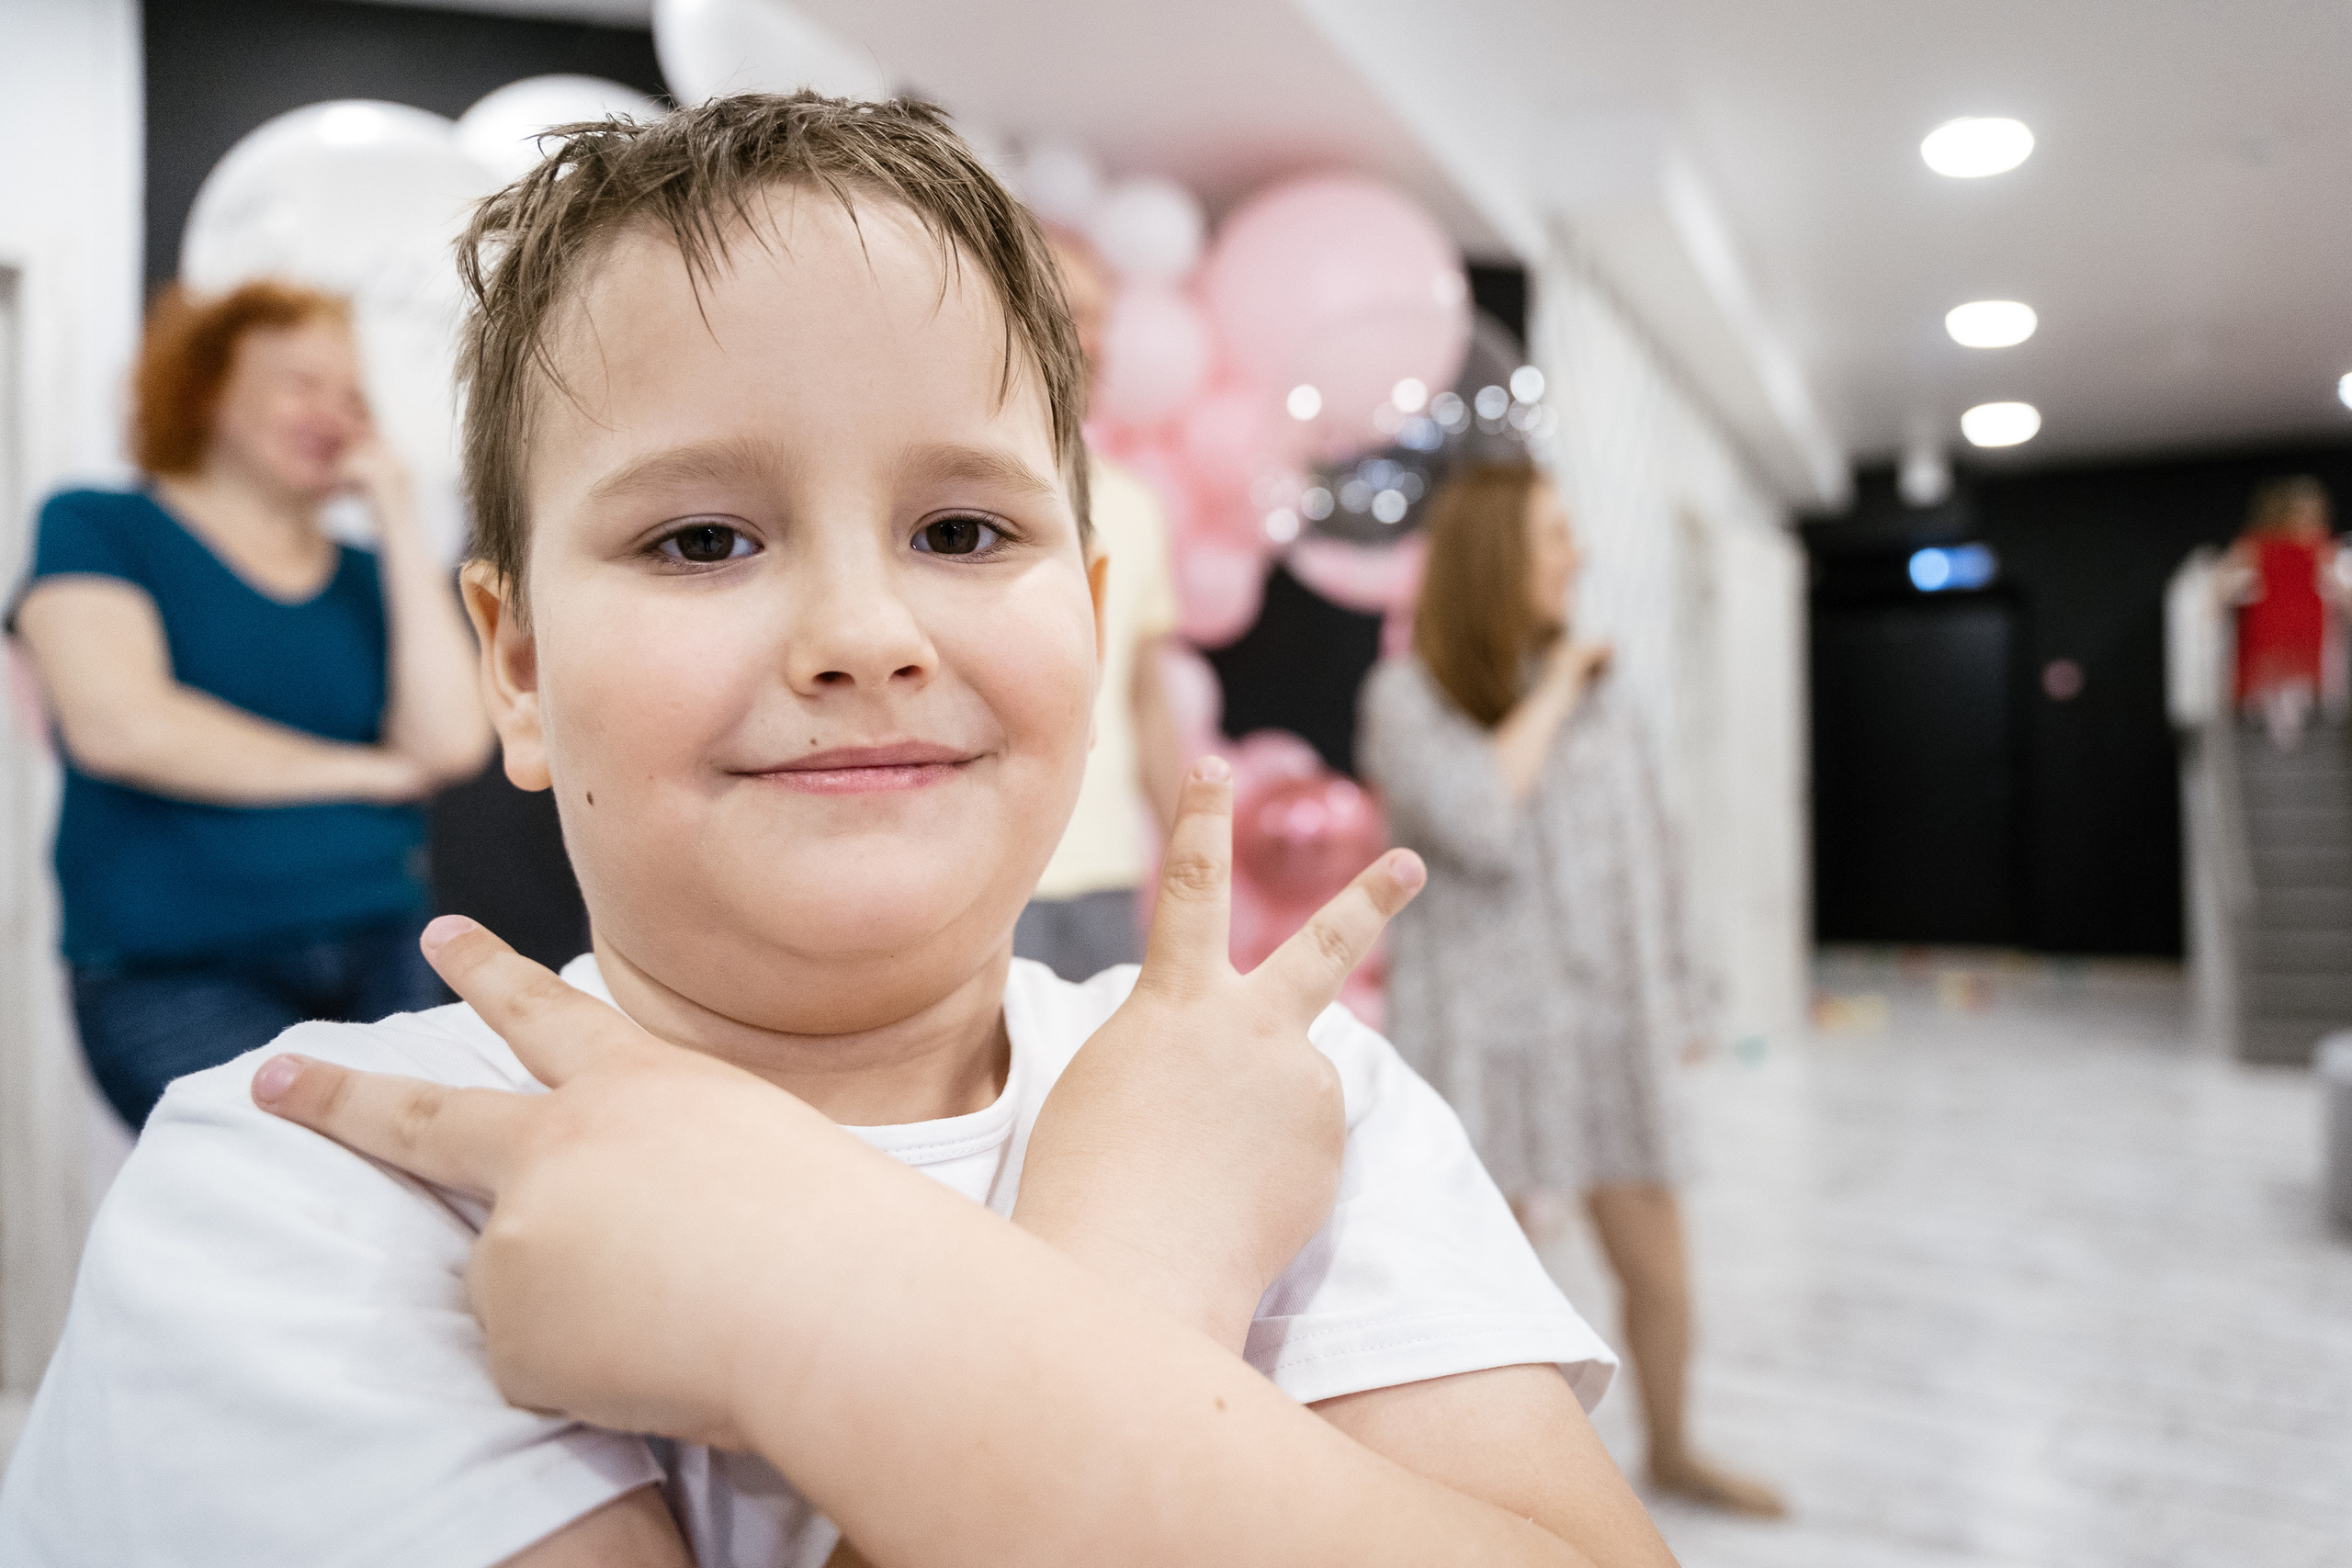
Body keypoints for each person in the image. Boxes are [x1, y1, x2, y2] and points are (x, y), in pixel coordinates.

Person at [0, 95, 1673, 1568]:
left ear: (1091, 625)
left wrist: (889, 1310)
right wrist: (1133, 1268)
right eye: (704, 539)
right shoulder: (306, 1188)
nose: (865, 632)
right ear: (519, 665)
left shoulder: (1294, 1094)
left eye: (960, 525)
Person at [1358, 463, 1783, 1517]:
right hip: (1480, 1032)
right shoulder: (1406, 697)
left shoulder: (1610, 691)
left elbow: (1656, 849)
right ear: (1498, 553)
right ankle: (1506, 1498)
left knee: (1663, 1272)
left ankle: (1674, 1447)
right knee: (1489, 1297)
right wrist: (1548, 687)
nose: (1576, 558)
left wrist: (1685, 991)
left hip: (1609, 1017)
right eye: (1556, 537)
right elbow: (1481, 821)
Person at [7, 281, 491, 1129]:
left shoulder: (365, 576)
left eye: (352, 393)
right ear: (207, 391)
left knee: (426, 1217)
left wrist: (398, 518)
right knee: (277, 1199)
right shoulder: (98, 524)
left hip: (385, 942)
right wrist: (366, 772)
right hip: (176, 966)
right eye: (301, 382)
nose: (335, 412)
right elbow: (121, 726)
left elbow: (451, 744)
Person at [1012, 231, 1185, 980]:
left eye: (1103, 320)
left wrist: (1190, 853)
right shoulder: (941, 488)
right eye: (1072, 312)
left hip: (1107, 875)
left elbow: (1145, 698)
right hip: (987, 871)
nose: (1095, 342)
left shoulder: (1137, 505)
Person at [2224, 475, 2349, 750]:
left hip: (2305, 625)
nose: (2305, 524)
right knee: (2273, 684)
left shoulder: (2320, 546)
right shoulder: (2257, 545)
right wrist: (2215, 600)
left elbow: (2338, 585)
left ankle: (2290, 720)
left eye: (2311, 515)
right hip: (2271, 625)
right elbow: (2228, 575)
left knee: (2298, 686)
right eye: (2299, 515)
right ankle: (2276, 719)